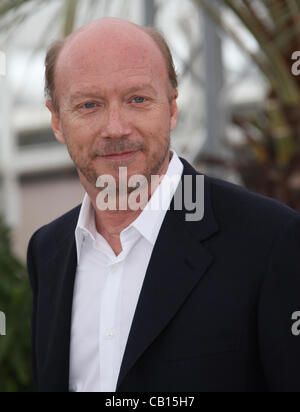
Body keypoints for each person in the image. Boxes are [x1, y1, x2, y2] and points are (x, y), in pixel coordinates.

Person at [27, 17, 300, 393]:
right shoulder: (48, 251)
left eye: (138, 99)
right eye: (89, 105)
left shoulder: (271, 240)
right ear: (57, 120)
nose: (116, 127)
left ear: (171, 109)